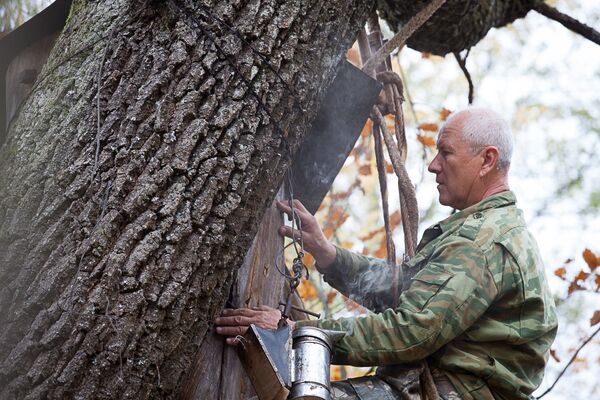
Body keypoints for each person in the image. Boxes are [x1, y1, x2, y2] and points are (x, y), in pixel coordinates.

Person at [215, 108, 558, 400]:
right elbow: (406, 292)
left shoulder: (481, 241)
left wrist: (294, 331)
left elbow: (412, 331)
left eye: (446, 153)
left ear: (487, 160)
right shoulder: (482, 230)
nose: (433, 166)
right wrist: (329, 254)